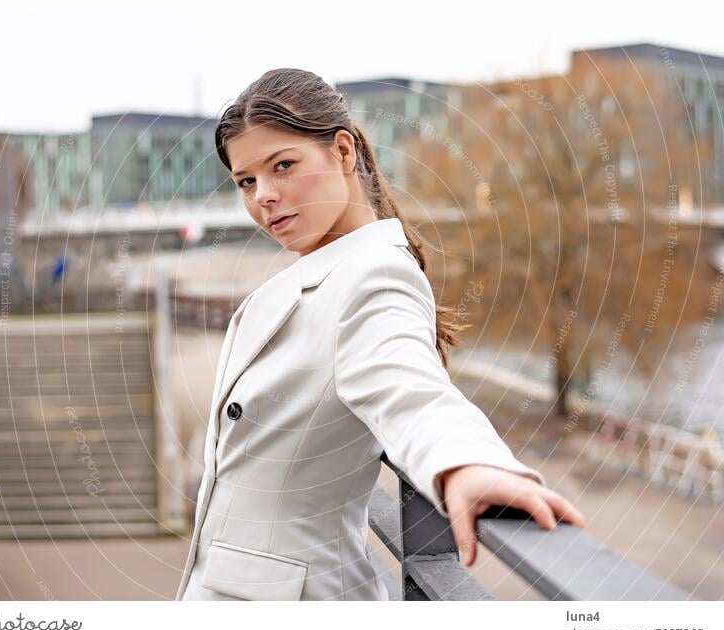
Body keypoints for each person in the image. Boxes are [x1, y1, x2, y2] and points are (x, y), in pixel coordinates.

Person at [176, 68, 585, 601]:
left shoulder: (374, 275)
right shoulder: (320, 273)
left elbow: (406, 386)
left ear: (343, 152)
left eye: (284, 165)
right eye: (246, 181)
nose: (265, 197)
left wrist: (466, 464)